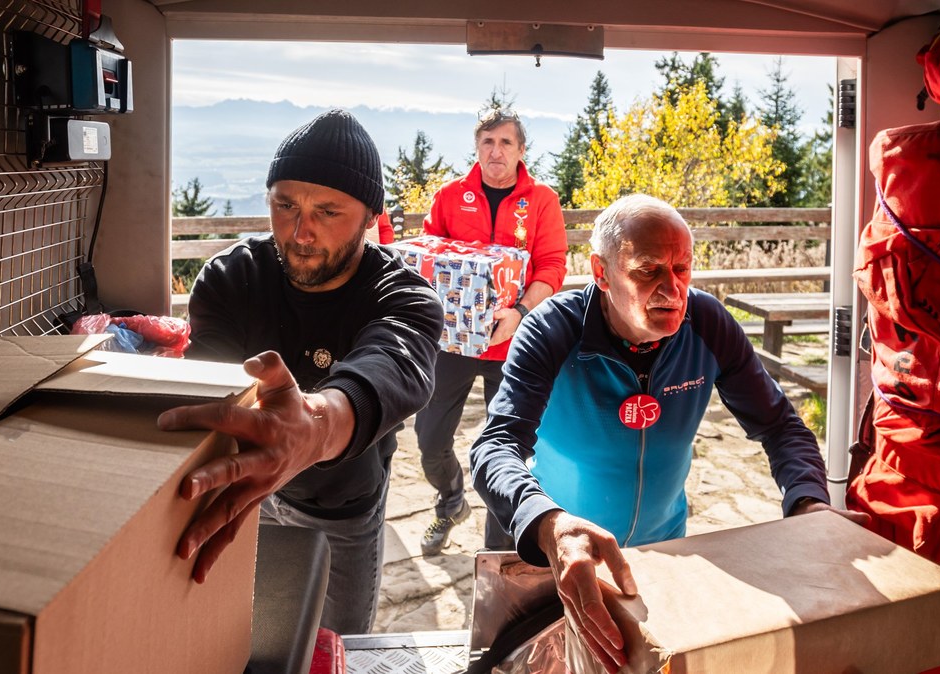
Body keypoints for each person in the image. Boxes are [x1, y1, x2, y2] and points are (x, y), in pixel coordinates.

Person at [470, 194, 869, 672]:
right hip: (559, 556)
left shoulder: (708, 324)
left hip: (659, 559)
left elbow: (781, 425)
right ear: (601, 272)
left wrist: (807, 502)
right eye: (647, 270)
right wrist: (549, 524)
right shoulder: (553, 329)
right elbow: (496, 445)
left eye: (682, 268)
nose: (672, 289)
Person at [157, 109, 443, 635]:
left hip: (342, 507)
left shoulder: (404, 297)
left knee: (338, 643)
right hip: (241, 489)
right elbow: (207, 387)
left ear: (370, 217)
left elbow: (392, 365)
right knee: (241, 635)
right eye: (285, 205)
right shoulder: (231, 278)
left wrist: (312, 428)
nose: (301, 231)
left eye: (328, 211)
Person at [414, 107, 568, 555]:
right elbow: (431, 259)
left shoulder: (541, 200)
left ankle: (499, 547)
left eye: (505, 142)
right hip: (454, 343)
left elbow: (553, 267)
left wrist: (518, 313)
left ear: (521, 150)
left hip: (518, 344)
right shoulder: (449, 196)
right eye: (487, 141)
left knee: (508, 448)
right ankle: (450, 501)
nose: (495, 150)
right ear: (476, 146)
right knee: (429, 439)